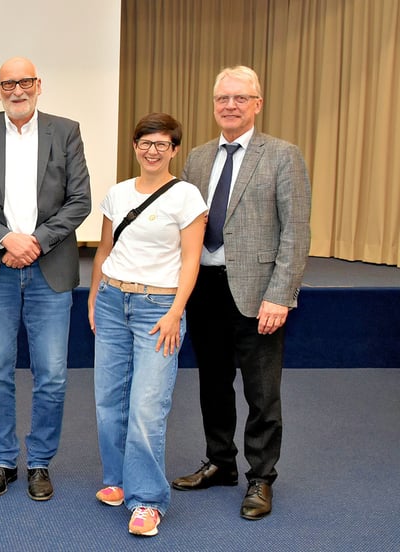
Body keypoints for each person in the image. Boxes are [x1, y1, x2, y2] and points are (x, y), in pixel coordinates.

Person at [170, 66, 311, 521]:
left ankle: (261, 478)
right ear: (213, 105)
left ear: (257, 103)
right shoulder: (196, 157)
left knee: (262, 391)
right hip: (205, 289)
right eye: (222, 99)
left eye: (239, 98)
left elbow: (296, 232)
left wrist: (281, 294)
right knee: (212, 384)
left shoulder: (283, 156)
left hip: (258, 292)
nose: (230, 106)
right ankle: (220, 463)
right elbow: (189, 224)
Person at [0, 56, 91, 502]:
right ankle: (3, 461)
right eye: (8, 83)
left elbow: (80, 200)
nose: (17, 90)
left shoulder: (65, 130)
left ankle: (40, 464)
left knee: (51, 375)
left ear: (38, 85)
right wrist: (6, 240)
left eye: (25, 81)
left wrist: (35, 241)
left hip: (49, 267)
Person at [88, 113, 206, 536]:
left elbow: (192, 259)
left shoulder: (187, 197)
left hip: (159, 308)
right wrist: (93, 296)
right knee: (109, 401)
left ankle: (147, 501)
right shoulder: (117, 194)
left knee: (146, 407)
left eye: (162, 144)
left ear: (174, 149)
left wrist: (176, 311)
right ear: (134, 147)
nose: (152, 151)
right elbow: (104, 250)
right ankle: (118, 482)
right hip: (111, 301)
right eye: (145, 143)